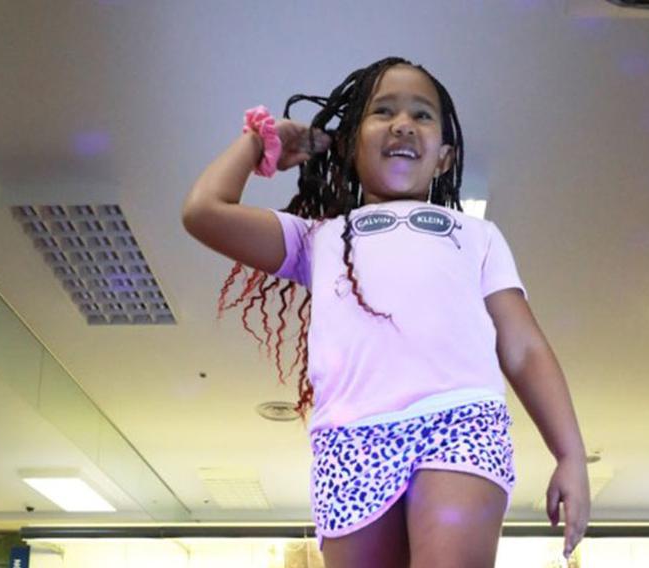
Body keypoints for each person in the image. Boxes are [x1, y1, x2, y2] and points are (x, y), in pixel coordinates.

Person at [182, 56, 589, 568]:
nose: (402, 123)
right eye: (382, 111)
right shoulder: (318, 237)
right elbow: (203, 212)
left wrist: (570, 455)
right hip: (349, 438)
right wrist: (259, 144)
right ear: (351, 146)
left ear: (444, 157)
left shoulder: (477, 236)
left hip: (459, 419)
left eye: (422, 115)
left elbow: (524, 347)